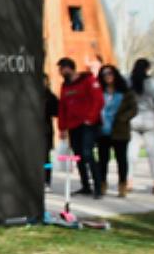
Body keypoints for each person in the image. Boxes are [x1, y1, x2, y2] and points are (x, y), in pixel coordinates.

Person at [56, 57, 104, 198]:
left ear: (69, 68)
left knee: (87, 153)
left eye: (62, 69)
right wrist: (62, 128)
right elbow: (62, 107)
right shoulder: (65, 86)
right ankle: (85, 186)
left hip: (88, 124)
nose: (60, 72)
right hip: (73, 125)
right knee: (78, 156)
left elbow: (98, 100)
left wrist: (90, 118)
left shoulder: (88, 80)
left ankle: (98, 187)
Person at [127, 58, 154, 195]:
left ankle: (128, 180)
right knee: (153, 153)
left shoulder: (128, 82)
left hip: (133, 119)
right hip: (151, 119)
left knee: (131, 152)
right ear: (147, 69)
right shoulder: (152, 84)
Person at [95, 64, 136, 197]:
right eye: (104, 74)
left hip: (120, 130)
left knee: (121, 159)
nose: (107, 76)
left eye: (110, 73)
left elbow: (133, 109)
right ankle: (102, 184)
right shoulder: (99, 91)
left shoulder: (125, 92)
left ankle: (122, 184)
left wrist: (123, 119)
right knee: (103, 160)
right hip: (102, 130)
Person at [41, 73, 59, 188]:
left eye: (44, 81)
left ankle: (47, 179)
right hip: (32, 131)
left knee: (46, 158)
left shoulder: (50, 96)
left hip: (46, 131)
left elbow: (56, 111)